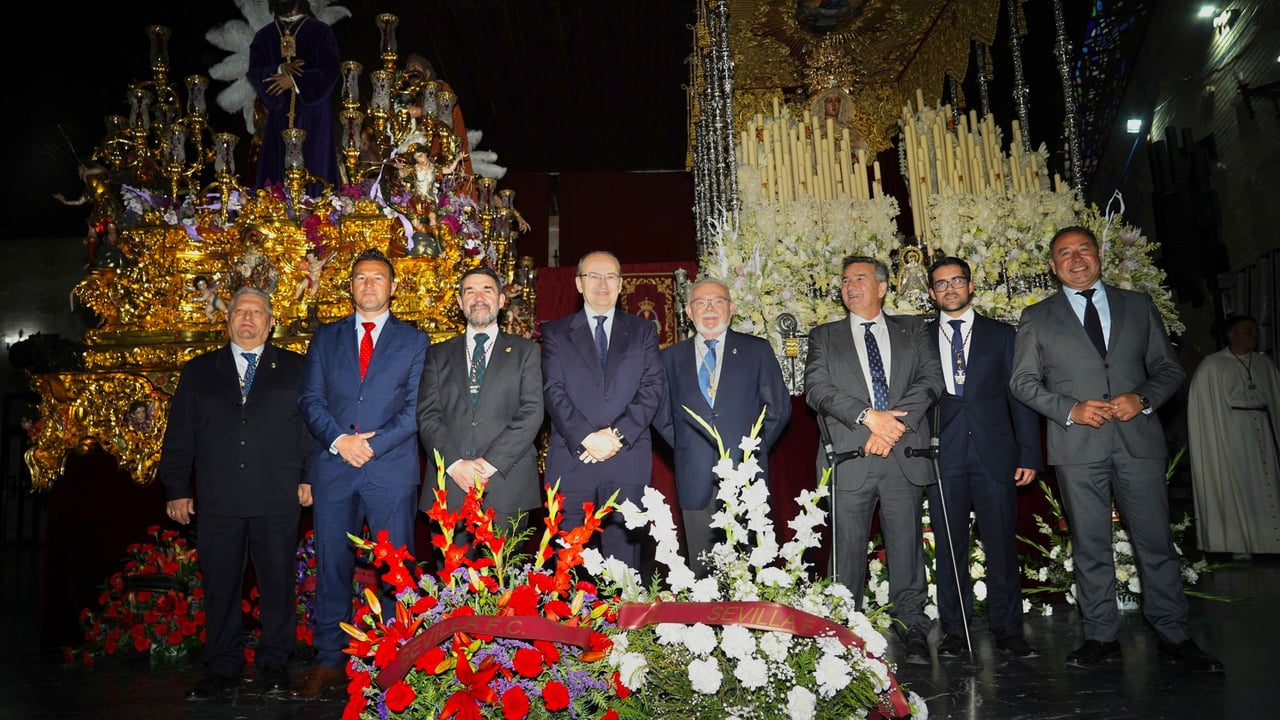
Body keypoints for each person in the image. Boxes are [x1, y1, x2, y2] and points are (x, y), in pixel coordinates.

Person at [1010, 225, 1223, 672]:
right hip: (1077, 446)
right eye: (1065, 253)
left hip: (1138, 441)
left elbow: (1168, 368)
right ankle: (1100, 636)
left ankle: (1174, 633)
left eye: (1083, 249)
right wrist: (1070, 409)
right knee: (1090, 546)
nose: (1076, 259)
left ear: (1099, 255)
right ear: (1052, 266)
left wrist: (1141, 399)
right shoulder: (1037, 317)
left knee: (1156, 541)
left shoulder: (1138, 305)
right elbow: (1023, 382)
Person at [158, 287, 314, 700]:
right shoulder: (199, 371)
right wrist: (177, 488)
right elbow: (180, 435)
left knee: (277, 585)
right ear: (227, 319)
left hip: (277, 495)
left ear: (270, 322)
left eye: (256, 312)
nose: (247, 318)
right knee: (221, 586)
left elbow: (310, 429)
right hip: (218, 498)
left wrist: (309, 477)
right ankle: (222, 667)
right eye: (240, 311)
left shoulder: (297, 368)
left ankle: (276, 663)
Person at [294, 248, 430, 697]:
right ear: (350, 286)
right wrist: (340, 441)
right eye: (361, 278)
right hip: (335, 468)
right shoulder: (326, 338)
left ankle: (398, 662)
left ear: (393, 286)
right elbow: (310, 400)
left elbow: (416, 409)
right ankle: (329, 662)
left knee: (396, 571)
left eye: (378, 277)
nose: (369, 284)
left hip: (389, 469)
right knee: (332, 568)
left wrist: (370, 444)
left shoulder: (415, 341)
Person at [803, 255, 942, 665]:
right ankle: (843, 632)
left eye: (860, 279)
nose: (850, 286)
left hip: (902, 456)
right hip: (851, 457)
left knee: (906, 547)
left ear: (882, 288)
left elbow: (931, 380)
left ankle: (912, 627)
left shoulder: (912, 328)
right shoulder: (825, 335)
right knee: (846, 551)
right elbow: (816, 389)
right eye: (845, 280)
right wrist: (869, 418)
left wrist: (891, 427)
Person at [923, 257, 1043, 660]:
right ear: (931, 293)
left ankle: (1008, 630)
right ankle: (955, 631)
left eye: (957, 280)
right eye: (941, 284)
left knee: (1001, 545)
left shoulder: (1002, 334)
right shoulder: (920, 337)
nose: (950, 289)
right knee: (948, 547)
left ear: (971, 285)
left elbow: (1019, 395)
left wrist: (1029, 452)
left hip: (996, 453)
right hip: (943, 456)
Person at [652, 278, 791, 577]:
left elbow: (778, 409)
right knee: (702, 574)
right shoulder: (669, 358)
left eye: (718, 301)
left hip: (747, 477)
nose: (710, 308)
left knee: (750, 573)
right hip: (695, 478)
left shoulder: (756, 351)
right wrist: (690, 447)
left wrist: (751, 451)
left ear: (732, 307)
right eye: (701, 302)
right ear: (688, 311)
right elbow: (661, 417)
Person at [541, 250, 664, 571]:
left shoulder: (643, 331)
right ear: (578, 284)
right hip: (573, 461)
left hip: (626, 461)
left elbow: (652, 388)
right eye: (593, 276)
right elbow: (552, 390)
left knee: (625, 572)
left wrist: (616, 436)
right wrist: (587, 437)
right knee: (568, 568)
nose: (602, 283)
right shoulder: (555, 333)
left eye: (610, 276)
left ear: (621, 284)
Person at [416, 266, 544, 542]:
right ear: (460, 302)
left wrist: (489, 463)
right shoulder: (437, 355)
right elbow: (428, 415)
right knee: (451, 570)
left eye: (487, 290)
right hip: (450, 485)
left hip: (507, 483)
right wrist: (454, 464)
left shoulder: (526, 352)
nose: (478, 297)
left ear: (501, 300)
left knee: (506, 570)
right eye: (469, 291)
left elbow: (532, 412)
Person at [1187, 314, 1280, 558]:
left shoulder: (1264, 364)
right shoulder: (1213, 365)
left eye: (1255, 330)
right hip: (1232, 436)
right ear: (1231, 334)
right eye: (1248, 330)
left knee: (1269, 484)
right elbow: (1205, 410)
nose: (1254, 335)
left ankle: (1271, 543)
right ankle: (1241, 545)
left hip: (1264, 430)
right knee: (1239, 486)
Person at [246, 0, 340, 190]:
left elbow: (331, 70)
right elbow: (255, 71)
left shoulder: (320, 31)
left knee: (315, 170)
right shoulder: (264, 36)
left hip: (313, 116)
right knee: (275, 177)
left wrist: (295, 81)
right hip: (279, 115)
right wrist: (279, 69)